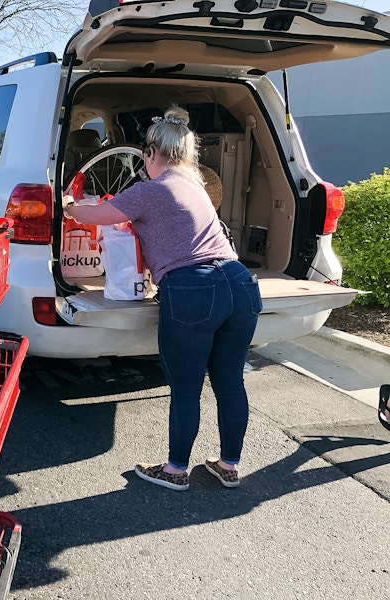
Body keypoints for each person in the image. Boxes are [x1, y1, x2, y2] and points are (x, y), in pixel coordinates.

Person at [63, 106, 263, 491]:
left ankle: (174, 471)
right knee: (230, 382)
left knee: (187, 387)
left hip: (192, 289)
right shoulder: (195, 187)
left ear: (150, 154)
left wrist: (70, 206)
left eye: (144, 156)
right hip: (240, 283)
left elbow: (98, 214)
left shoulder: (150, 190)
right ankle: (228, 466)